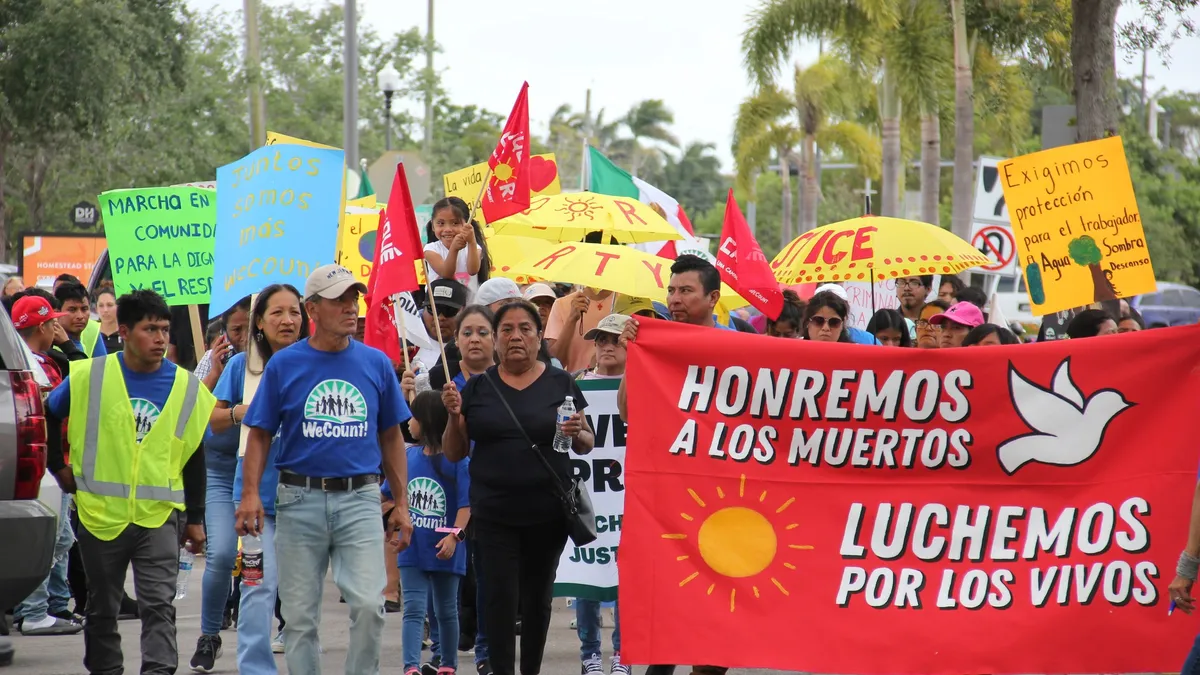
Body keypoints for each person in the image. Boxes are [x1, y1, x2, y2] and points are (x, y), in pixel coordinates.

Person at [235, 264, 414, 675]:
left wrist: (401, 503)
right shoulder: (284, 365)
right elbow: (259, 433)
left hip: (361, 499)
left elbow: (392, 437)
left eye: (354, 298)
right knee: (299, 621)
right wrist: (249, 495)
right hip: (299, 500)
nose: (351, 308)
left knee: (370, 606)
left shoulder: (377, 363)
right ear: (312, 309)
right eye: (339, 300)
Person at [45, 289, 214, 675]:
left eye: (165, 329)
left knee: (158, 603)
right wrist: (58, 465)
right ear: (123, 331)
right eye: (149, 329)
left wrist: (195, 517)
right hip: (101, 515)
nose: (160, 338)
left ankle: (158, 669)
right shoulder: (90, 376)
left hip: (158, 516)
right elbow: (50, 411)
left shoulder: (188, 386)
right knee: (103, 606)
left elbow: (194, 454)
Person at [440, 301, 595, 675]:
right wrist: (453, 416)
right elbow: (454, 451)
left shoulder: (562, 383)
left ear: (539, 336)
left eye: (525, 328)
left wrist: (578, 433)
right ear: (495, 339)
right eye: (506, 329)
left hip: (548, 514)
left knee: (537, 600)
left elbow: (587, 442)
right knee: (498, 600)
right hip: (493, 514)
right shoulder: (478, 387)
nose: (516, 336)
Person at [613, 256, 729, 675]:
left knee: (716, 621)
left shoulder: (737, 349)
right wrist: (634, 357)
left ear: (712, 298)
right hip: (670, 503)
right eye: (672, 290)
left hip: (725, 506)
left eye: (686, 291)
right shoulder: (656, 342)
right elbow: (628, 412)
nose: (675, 299)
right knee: (668, 603)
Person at [205, 284, 309, 674]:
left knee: (300, 597)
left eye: (295, 312)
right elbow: (211, 422)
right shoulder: (241, 368)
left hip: (307, 500)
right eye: (277, 313)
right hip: (253, 502)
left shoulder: (314, 363)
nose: (287, 320)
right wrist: (240, 413)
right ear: (259, 323)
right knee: (256, 587)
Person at [9, 295, 83, 635]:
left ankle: (47, 605)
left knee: (59, 537)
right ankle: (32, 609)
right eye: (53, 321)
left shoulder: (46, 361)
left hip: (56, 460)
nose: (60, 326)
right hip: (45, 464)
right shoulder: (31, 368)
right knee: (55, 538)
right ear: (44, 326)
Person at [189, 296, 253, 672]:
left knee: (268, 560)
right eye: (235, 329)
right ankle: (209, 635)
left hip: (262, 471)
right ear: (223, 332)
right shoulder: (217, 363)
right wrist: (213, 372)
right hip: (218, 471)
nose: (242, 336)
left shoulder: (275, 364)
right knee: (222, 554)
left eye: (248, 327)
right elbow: (193, 414)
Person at [391, 391, 471, 675]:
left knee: (446, 610)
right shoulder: (406, 456)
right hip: (411, 547)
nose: (408, 423)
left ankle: (448, 664)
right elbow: (385, 495)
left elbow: (466, 507)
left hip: (446, 548)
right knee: (413, 609)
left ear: (426, 421)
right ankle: (410, 666)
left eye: (413, 417)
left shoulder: (459, 461)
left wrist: (454, 537)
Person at [574, 314, 628, 675]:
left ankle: (623, 653)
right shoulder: (577, 385)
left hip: (626, 498)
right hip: (589, 497)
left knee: (626, 578)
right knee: (586, 574)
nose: (606, 346)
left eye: (615, 339)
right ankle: (590, 652)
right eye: (600, 340)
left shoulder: (641, 383)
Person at [424, 197, 490, 297]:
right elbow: (446, 274)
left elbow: (473, 270)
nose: (447, 229)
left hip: (468, 308)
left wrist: (471, 241)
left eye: (455, 223)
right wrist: (454, 249)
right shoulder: (430, 249)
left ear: (468, 224)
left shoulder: (474, 248)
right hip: (438, 308)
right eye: (441, 223)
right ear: (433, 226)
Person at [546, 286, 619, 372]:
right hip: (577, 383)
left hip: (620, 382)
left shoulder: (628, 302)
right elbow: (555, 363)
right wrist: (571, 320)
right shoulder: (561, 304)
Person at [196, 296, 251, 392]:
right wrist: (214, 374)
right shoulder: (212, 358)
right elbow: (194, 401)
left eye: (251, 328)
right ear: (224, 332)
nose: (246, 338)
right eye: (237, 330)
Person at [418, 280, 469, 372]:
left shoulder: (472, 348)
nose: (440, 317)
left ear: (464, 312)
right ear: (423, 309)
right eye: (433, 310)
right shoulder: (406, 342)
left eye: (449, 310)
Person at [55, 282, 106, 358]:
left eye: (84, 309)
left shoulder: (93, 330)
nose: (80, 316)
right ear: (57, 312)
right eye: (72, 310)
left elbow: (101, 368)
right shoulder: (48, 343)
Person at [576, 314, 630, 382]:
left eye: (617, 341)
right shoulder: (576, 382)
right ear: (595, 344)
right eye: (602, 340)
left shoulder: (641, 382)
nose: (607, 348)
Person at [93, 288, 122, 354]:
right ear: (96, 309)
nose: (105, 310)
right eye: (101, 306)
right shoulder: (91, 332)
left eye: (110, 305)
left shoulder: (126, 333)